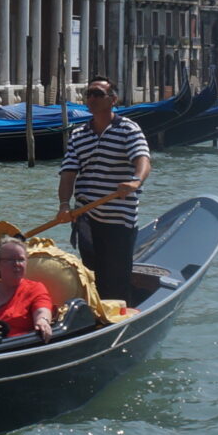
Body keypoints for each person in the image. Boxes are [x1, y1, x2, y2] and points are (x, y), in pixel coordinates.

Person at [59, 76, 153, 304]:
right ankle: (96, 313)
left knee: (116, 276)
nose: (91, 98)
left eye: (97, 94)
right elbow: (68, 173)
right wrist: (64, 204)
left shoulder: (128, 129)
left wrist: (135, 181)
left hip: (119, 217)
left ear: (112, 99)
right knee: (91, 271)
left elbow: (142, 159)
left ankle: (119, 312)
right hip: (86, 215)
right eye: (88, 94)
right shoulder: (78, 135)